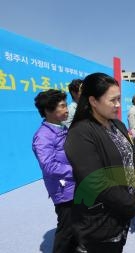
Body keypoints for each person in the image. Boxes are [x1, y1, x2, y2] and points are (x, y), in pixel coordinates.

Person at [64, 73, 135, 253]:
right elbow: (95, 181)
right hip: (100, 220)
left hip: (122, 212)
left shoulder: (117, 125)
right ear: (93, 101)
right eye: (113, 100)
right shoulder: (80, 133)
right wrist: (133, 205)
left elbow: (133, 158)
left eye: (119, 99)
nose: (118, 105)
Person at [32, 89, 77, 253]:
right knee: (67, 228)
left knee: (76, 225)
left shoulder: (62, 128)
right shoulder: (43, 136)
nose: (67, 109)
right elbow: (49, 166)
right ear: (48, 111)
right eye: (62, 106)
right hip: (63, 188)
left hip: (74, 185)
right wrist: (77, 170)